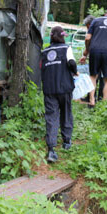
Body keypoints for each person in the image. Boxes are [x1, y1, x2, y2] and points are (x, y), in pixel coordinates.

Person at [40, 26, 77, 163]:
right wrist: (75, 71)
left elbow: (41, 69)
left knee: (51, 117)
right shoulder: (66, 48)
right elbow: (72, 62)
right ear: (62, 36)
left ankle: (51, 149)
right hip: (65, 87)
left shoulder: (44, 52)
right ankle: (66, 141)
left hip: (49, 89)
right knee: (66, 113)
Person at [79, 7, 107, 106]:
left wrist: (87, 49)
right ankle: (104, 104)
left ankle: (91, 101)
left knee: (92, 76)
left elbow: (87, 38)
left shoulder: (96, 21)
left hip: (95, 51)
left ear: (105, 14)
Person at [79, 15, 104, 105]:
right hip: (95, 56)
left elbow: (88, 40)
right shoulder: (96, 30)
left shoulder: (96, 31)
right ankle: (90, 97)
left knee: (98, 77)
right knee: (94, 78)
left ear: (91, 24)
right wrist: (85, 56)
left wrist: (86, 52)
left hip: (99, 57)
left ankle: (98, 99)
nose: (87, 28)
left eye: (87, 25)